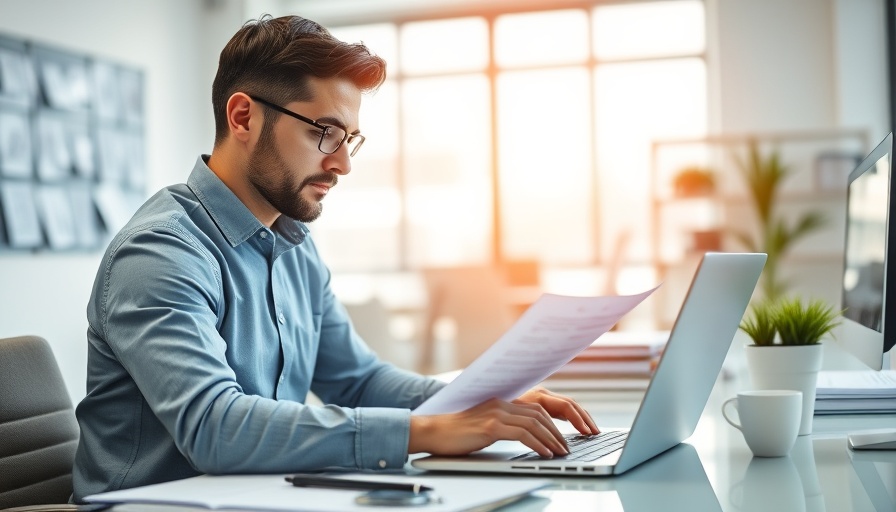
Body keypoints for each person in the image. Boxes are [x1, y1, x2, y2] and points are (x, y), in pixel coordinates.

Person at [72, 14, 598, 502]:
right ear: (242, 117)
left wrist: (481, 401)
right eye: (324, 133)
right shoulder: (161, 252)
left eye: (349, 139)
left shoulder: (293, 243)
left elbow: (358, 381)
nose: (343, 163)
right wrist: (426, 430)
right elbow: (216, 428)